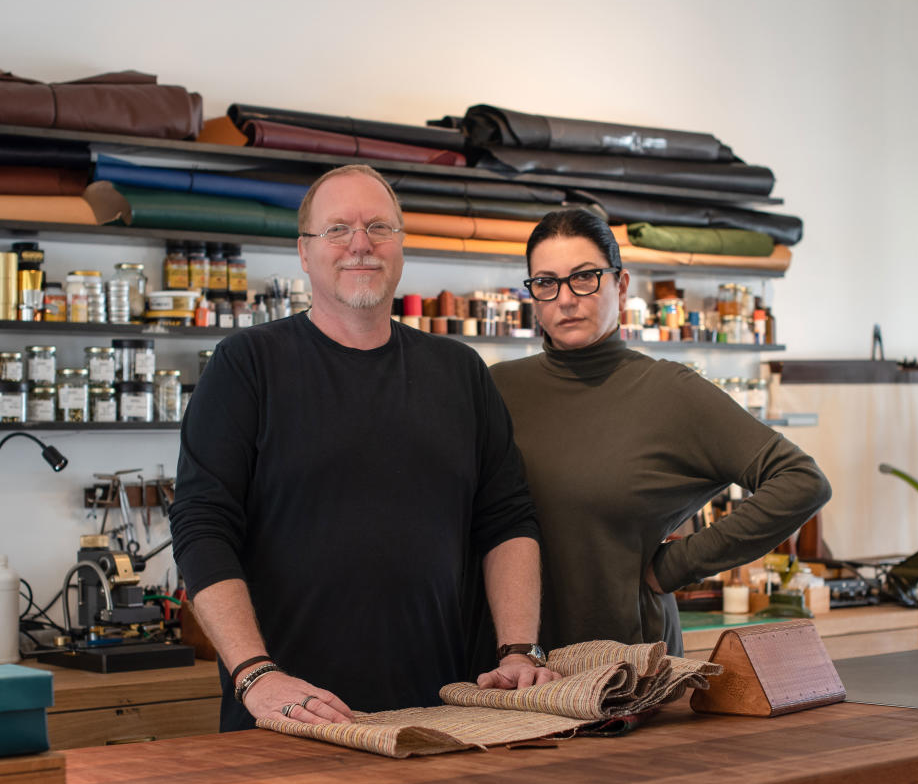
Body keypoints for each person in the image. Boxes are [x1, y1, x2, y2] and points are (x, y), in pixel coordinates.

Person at [171, 163, 555, 732]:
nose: (360, 245)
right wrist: (255, 675)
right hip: (291, 715)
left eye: (378, 227)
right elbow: (202, 528)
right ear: (304, 252)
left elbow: (507, 520)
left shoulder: (459, 372)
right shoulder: (247, 365)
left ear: (400, 245)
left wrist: (519, 650)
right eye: (336, 230)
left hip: (443, 714)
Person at [489, 208, 832, 656]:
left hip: (628, 669)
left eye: (585, 277)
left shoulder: (669, 392)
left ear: (621, 284)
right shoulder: (498, 388)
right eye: (547, 282)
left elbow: (801, 481)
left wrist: (677, 565)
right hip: (513, 667)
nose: (566, 299)